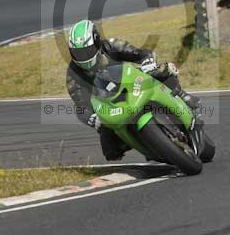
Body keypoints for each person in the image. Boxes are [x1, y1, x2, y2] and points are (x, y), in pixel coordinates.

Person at [66, 19, 201, 161]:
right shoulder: (73, 74)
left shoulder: (112, 45)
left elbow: (141, 53)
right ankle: (148, 145)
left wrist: (147, 62)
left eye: (87, 51)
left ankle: (181, 95)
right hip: (109, 105)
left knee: (160, 71)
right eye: (78, 53)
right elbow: (80, 105)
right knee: (110, 151)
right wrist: (91, 118)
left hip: (131, 82)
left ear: (97, 42)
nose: (84, 57)